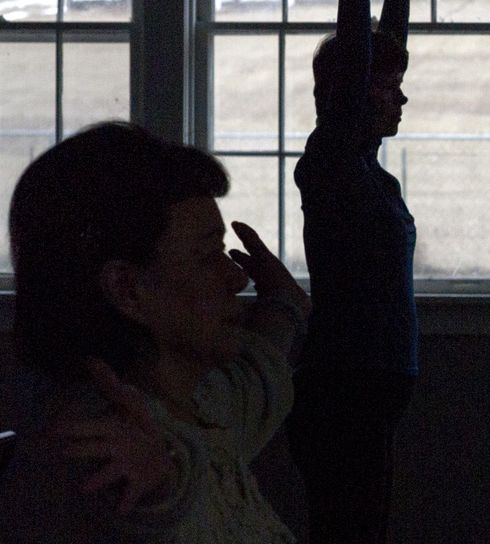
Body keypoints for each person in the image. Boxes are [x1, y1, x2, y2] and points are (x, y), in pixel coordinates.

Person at [0, 121, 311, 542]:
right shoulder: (102, 452)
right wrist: (164, 493)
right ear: (127, 290)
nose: (237, 278)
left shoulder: (198, 407)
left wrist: (284, 306)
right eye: (206, 256)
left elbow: (254, 385)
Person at [286, 0, 424, 544]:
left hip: (368, 393)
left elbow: (382, 52)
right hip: (340, 390)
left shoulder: (369, 170)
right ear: (350, 91)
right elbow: (361, 57)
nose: (401, 96)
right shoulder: (333, 158)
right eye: (384, 85)